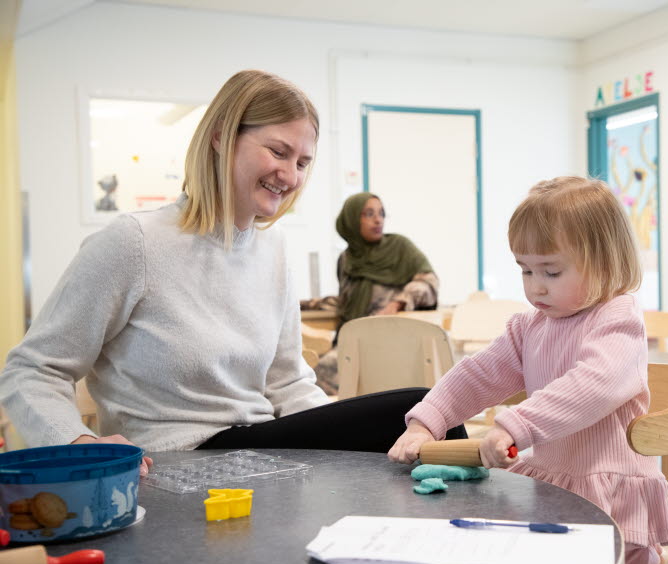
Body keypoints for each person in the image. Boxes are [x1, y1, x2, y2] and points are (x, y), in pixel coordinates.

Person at [0, 70, 450, 472]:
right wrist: (79, 445)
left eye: (302, 163)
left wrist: (332, 441)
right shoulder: (134, 242)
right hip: (180, 457)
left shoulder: (272, 249)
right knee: (417, 409)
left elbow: (288, 381)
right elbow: (31, 369)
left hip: (257, 453)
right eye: (278, 151)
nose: (290, 176)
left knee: (428, 420)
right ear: (221, 137)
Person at [388, 176, 668, 564]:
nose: (535, 287)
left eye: (551, 272)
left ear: (605, 263)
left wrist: (516, 425)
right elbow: (478, 374)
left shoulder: (619, 318)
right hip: (554, 487)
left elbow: (593, 385)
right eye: (525, 270)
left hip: (611, 499)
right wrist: (427, 421)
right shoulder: (529, 327)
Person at [314, 192, 438, 394]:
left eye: (381, 213)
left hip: (393, 340)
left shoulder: (400, 248)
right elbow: (350, 301)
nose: (378, 220)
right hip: (355, 342)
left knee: (326, 374)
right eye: (369, 214)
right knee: (315, 374)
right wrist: (312, 304)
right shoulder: (346, 260)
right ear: (352, 220)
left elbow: (429, 284)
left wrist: (397, 303)